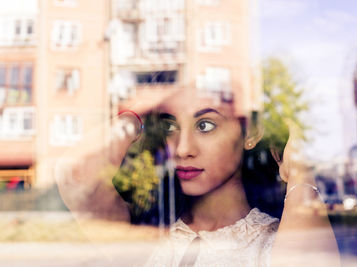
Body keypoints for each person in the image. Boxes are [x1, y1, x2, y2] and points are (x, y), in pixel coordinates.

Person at [55, 87, 340, 266]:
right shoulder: (147, 241)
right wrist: (133, 117)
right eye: (170, 127)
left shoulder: (272, 244)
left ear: (251, 133)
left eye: (205, 125)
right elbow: (76, 175)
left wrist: (300, 171)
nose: (182, 149)